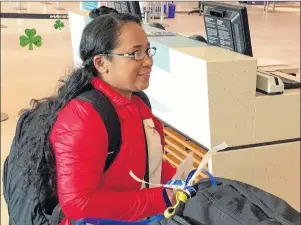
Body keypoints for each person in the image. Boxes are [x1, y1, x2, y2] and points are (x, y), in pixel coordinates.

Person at [4, 11, 177, 225]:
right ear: (101, 63)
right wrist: (158, 199)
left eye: (148, 51)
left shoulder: (137, 103)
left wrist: (181, 181)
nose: (148, 61)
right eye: (135, 54)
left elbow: (148, 160)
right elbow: (79, 203)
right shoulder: (83, 117)